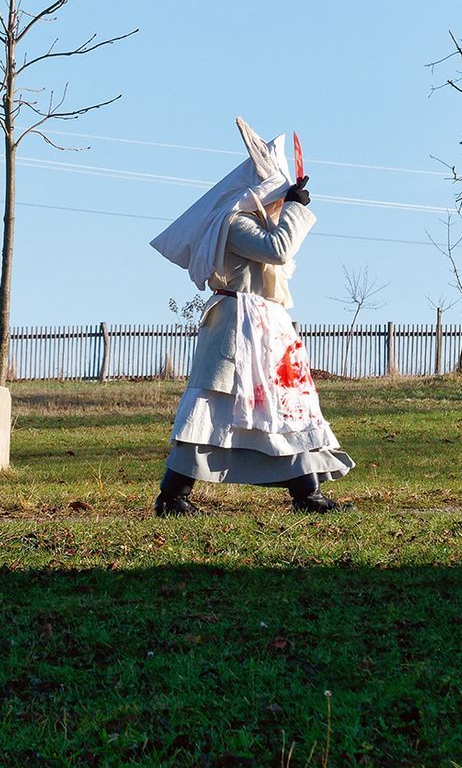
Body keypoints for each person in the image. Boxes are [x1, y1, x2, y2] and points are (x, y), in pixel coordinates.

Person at [148, 118, 353, 516]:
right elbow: (279, 249)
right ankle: (172, 496)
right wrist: (294, 208)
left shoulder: (251, 221)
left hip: (264, 327)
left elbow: (279, 251)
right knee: (212, 407)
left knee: (287, 407)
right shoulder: (234, 222)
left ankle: (305, 493)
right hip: (237, 328)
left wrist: (287, 208)